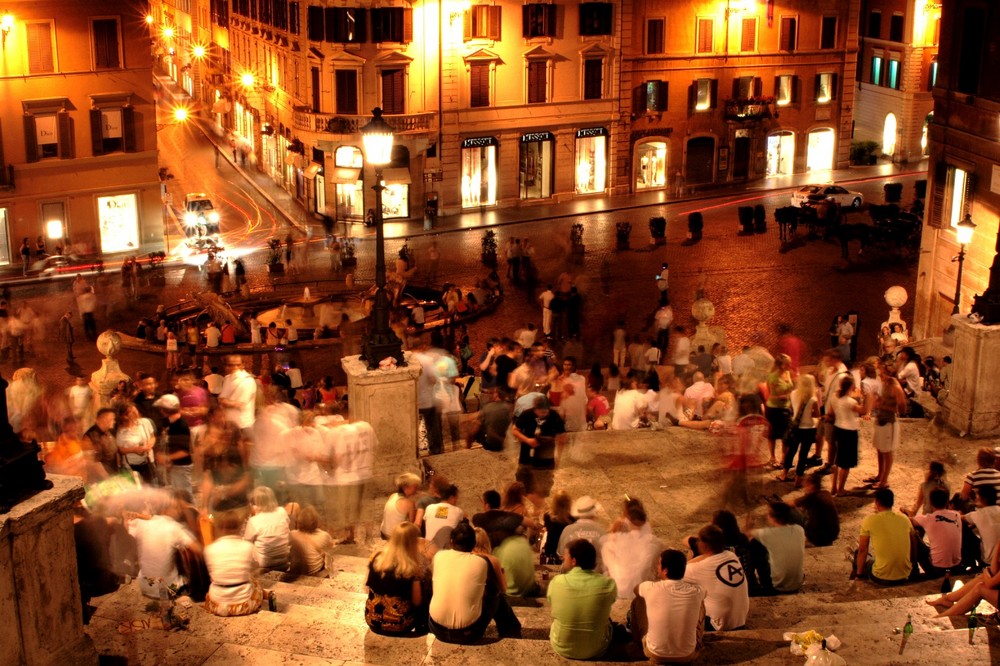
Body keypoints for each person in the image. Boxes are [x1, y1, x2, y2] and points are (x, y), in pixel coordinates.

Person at [428, 523, 521, 642]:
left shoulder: (439, 556)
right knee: (497, 598)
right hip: (468, 633)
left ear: (451, 541)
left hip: (437, 629)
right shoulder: (482, 562)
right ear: (473, 544)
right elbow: (495, 591)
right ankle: (511, 633)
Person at [631, 549, 706, 663]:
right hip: (688, 654)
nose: (657, 566)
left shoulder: (651, 588)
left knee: (638, 600)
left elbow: (636, 589)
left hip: (655, 654)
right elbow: (705, 593)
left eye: (659, 563)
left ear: (665, 570)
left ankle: (638, 641)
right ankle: (697, 639)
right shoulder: (696, 590)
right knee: (700, 601)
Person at [547, 539, 618, 660]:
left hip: (562, 646)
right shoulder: (608, 584)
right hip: (597, 648)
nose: (564, 558)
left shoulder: (557, 582)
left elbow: (552, 604)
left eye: (566, 556)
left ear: (574, 561)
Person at [126, 495, 198, 598]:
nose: (179, 511)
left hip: (145, 586)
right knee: (182, 552)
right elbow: (197, 549)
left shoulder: (140, 523)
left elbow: (127, 525)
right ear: (166, 510)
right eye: (176, 507)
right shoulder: (174, 527)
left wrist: (133, 516)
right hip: (169, 589)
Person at [365, 522, 429, 635]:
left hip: (372, 620)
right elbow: (417, 601)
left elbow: (367, 587)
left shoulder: (376, 557)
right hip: (399, 625)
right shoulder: (412, 568)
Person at [684, 524, 749, 630]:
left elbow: (674, 576)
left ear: (704, 545)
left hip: (718, 625)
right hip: (740, 619)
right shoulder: (731, 556)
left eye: (699, 540)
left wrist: (689, 559)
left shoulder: (697, 568)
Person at [204, 510, 264, 617]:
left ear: (220, 528)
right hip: (243, 604)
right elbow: (260, 563)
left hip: (217, 604)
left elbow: (211, 577)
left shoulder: (209, 549)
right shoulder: (247, 546)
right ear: (240, 527)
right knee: (255, 582)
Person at [601, 498, 661, 600]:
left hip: (619, 585)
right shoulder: (651, 541)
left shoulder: (621, 532)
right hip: (638, 586)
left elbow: (609, 541)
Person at [511, 395, 566, 506]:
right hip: (526, 457)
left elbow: (563, 437)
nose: (543, 415)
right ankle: (542, 507)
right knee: (522, 486)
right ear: (535, 409)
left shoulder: (554, 416)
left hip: (546, 459)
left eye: (545, 412)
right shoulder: (527, 414)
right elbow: (515, 430)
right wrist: (527, 440)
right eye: (541, 412)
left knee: (543, 490)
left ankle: (539, 508)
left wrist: (558, 457)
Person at [854, 488, 915, 585]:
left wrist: (859, 575)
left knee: (860, 556)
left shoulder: (869, 520)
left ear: (877, 503)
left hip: (881, 576)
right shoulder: (905, 519)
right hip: (905, 574)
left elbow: (863, 550)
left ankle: (858, 578)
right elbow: (913, 543)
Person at [905, 488, 961, 578]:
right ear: (947, 501)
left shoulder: (928, 519)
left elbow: (908, 521)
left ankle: (913, 571)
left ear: (930, 503)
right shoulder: (957, 515)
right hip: (956, 566)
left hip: (937, 569)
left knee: (913, 534)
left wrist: (906, 513)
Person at [751, 502, 805, 593]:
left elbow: (747, 534)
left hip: (776, 586)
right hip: (797, 584)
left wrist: (749, 524)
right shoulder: (799, 529)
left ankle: (751, 581)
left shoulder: (768, 533)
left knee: (754, 544)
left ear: (772, 517)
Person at [777, 374, 820, 485]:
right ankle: (798, 479)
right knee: (803, 454)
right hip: (809, 429)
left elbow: (792, 409)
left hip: (796, 428)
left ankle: (784, 474)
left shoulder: (793, 394)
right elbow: (817, 415)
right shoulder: (813, 399)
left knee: (791, 451)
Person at [154, 394, 194, 500]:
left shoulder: (180, 425)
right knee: (179, 495)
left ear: (164, 410)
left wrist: (166, 458)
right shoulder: (172, 423)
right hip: (177, 466)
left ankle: (193, 515)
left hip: (182, 466)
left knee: (185, 495)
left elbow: (185, 451)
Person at [830, 375, 865, 497]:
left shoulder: (836, 397)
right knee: (845, 463)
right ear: (851, 386)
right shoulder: (850, 402)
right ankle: (840, 489)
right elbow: (863, 411)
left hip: (838, 428)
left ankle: (833, 487)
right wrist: (870, 399)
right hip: (849, 431)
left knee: (837, 460)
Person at [244, 486, 291, 570]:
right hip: (285, 557)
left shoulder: (254, 521)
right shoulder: (282, 511)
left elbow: (247, 542)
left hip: (265, 562)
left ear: (257, 502)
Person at [558, 495, 607, 571]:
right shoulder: (602, 532)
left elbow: (561, 555)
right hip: (596, 578)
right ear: (594, 513)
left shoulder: (567, 530)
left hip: (570, 579)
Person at [793, 472, 840, 546]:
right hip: (833, 534)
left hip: (820, 537)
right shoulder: (825, 493)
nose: (804, 488)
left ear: (812, 485)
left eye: (805, 486)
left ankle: (809, 539)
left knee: (794, 514)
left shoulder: (812, 497)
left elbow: (791, 503)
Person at [764, 354, 794, 469]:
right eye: (787, 363)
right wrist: (784, 396)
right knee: (772, 434)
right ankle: (772, 458)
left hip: (786, 408)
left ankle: (784, 459)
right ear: (780, 365)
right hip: (774, 409)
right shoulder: (773, 377)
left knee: (785, 435)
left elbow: (790, 387)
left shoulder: (787, 373)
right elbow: (770, 395)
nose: (789, 365)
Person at [115, 403, 157, 484]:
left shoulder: (145, 422)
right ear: (124, 416)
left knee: (151, 486)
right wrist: (133, 450)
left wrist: (149, 446)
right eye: (132, 412)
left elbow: (152, 437)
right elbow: (120, 450)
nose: (136, 413)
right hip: (131, 465)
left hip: (148, 462)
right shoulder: (120, 431)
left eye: (136, 410)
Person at [218, 355, 257, 441]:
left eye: (238, 365)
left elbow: (239, 404)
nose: (234, 367)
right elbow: (222, 399)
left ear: (243, 365)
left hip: (243, 423)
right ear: (226, 366)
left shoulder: (248, 380)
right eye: (231, 365)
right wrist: (225, 401)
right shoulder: (227, 379)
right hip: (229, 423)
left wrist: (224, 401)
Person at [289, 505, 334, 577]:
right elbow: (331, 546)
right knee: (327, 555)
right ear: (316, 521)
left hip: (295, 573)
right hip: (315, 573)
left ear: (299, 521)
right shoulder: (324, 535)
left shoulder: (292, 534)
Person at [423, 484, 465, 549]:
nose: (457, 500)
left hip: (428, 548)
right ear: (452, 497)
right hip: (446, 550)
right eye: (456, 498)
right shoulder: (458, 511)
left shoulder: (429, 507)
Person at [381, 473, 420, 538]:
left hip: (384, 532)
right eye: (415, 487)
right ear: (406, 487)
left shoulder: (393, 495)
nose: (416, 490)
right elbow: (412, 524)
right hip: (395, 536)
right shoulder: (409, 503)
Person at [83, 408, 118, 477]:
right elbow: (94, 463)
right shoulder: (89, 436)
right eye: (112, 419)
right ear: (104, 419)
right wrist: (109, 480)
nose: (114, 421)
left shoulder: (110, 431)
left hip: (113, 473)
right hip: (100, 479)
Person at [542, 490, 574, 563]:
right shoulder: (572, 519)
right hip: (567, 554)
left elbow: (546, 530)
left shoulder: (547, 516)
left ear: (554, 503)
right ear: (569, 503)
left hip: (550, 551)